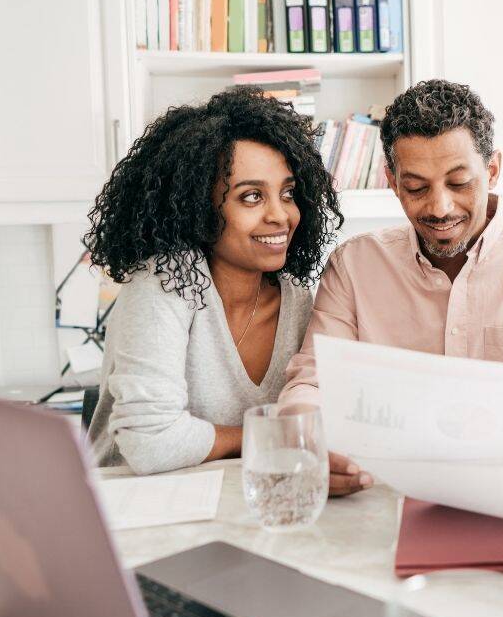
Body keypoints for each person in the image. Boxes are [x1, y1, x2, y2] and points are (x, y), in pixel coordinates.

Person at [279, 79, 503, 489]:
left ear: (492, 170)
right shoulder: (353, 266)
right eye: (416, 188)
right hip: (386, 487)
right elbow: (312, 382)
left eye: (459, 184)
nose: (440, 208)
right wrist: (306, 439)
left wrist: (493, 418)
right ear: (391, 180)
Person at [85, 86, 357, 490]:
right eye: (251, 197)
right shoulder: (165, 282)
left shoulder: (296, 297)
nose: (280, 215)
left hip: (236, 501)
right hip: (131, 508)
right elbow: (151, 444)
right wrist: (269, 438)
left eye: (287, 193)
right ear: (199, 208)